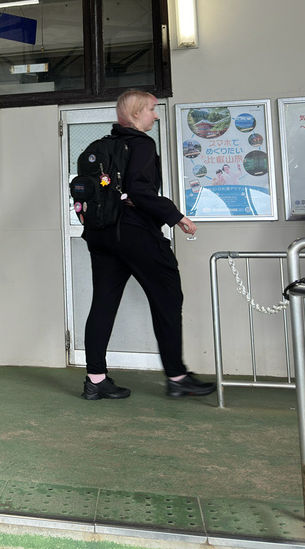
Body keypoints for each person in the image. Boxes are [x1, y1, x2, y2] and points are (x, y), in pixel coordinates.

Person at [80, 90, 215, 401]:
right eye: (152, 110)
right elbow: (140, 191)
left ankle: (96, 379)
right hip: (134, 232)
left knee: (103, 302)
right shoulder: (141, 144)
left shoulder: (102, 146)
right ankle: (178, 377)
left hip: (101, 234)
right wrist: (176, 216)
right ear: (136, 113)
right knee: (167, 295)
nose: (155, 115)